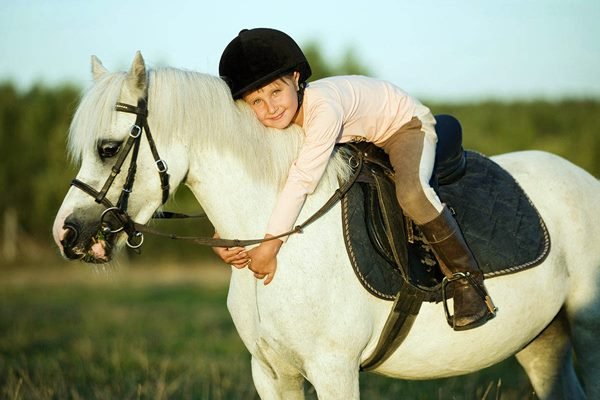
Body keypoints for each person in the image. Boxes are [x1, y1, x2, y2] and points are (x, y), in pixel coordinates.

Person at [214, 27, 495, 331]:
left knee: (412, 193)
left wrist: (269, 247)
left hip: (403, 126)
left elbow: (301, 179)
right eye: (256, 101)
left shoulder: (323, 109)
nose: (270, 108)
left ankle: (467, 280)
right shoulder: (281, 117)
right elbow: (261, 176)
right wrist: (221, 232)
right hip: (362, 135)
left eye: (275, 92)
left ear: (296, 79)